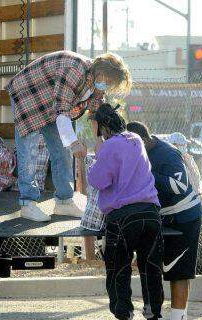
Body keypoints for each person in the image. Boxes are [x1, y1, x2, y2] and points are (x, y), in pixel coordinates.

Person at [5, 51, 131, 222]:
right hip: (29, 93)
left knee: (62, 152)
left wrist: (99, 141)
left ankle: (64, 201)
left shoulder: (97, 81)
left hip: (52, 101)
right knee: (29, 150)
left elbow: (95, 112)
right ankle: (27, 203)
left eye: (110, 84)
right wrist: (74, 143)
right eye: (107, 81)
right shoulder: (74, 70)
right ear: (100, 71)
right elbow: (62, 112)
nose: (106, 85)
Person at [88, 104, 164, 320]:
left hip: (122, 217)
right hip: (150, 213)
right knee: (151, 267)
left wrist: (97, 153)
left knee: (118, 269)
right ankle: (153, 312)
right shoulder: (136, 139)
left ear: (102, 127)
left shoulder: (109, 146)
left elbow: (98, 180)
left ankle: (124, 314)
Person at [127, 122, 202, 320]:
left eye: (133, 146)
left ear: (143, 140)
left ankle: (178, 317)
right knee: (152, 266)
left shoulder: (168, 153)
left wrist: (146, 172)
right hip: (159, 217)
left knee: (178, 270)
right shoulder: (138, 153)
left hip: (184, 216)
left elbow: (179, 186)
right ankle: (155, 313)